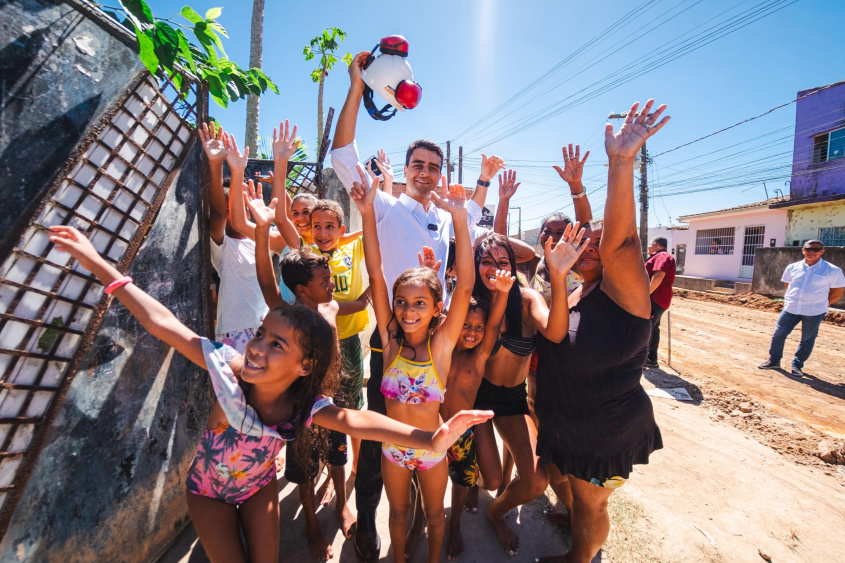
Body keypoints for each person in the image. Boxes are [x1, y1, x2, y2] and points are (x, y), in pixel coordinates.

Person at [46, 224, 494, 563]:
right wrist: (99, 264)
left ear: (305, 367)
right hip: (206, 492)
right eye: (261, 334)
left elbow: (356, 420)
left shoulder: (304, 406)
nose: (256, 347)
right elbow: (163, 324)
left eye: (274, 344)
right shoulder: (231, 369)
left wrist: (430, 440)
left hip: (259, 487)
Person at [330, 49, 501, 560]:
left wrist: (486, 181)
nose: (426, 173)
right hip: (390, 339)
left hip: (436, 344)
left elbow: (471, 225)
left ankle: (434, 526)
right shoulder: (382, 204)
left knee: (434, 437)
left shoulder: (448, 217)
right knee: (379, 437)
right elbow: (342, 154)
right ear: (403, 171)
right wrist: (358, 85)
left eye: (434, 166)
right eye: (418, 166)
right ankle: (368, 525)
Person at [534, 99, 670, 563]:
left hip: (605, 432)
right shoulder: (575, 294)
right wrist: (577, 192)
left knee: (593, 503)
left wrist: (621, 163)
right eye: (579, 242)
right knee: (575, 493)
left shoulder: (624, 294)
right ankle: (573, 523)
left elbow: (620, 240)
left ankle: (581, 558)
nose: (586, 247)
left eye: (594, 244)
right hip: (572, 425)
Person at [350, 168, 476, 563]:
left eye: (420, 303)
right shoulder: (389, 343)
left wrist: (459, 218)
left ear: (437, 309)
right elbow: (375, 269)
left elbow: (467, 286)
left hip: (433, 450)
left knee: (435, 516)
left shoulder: (442, 346)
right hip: (394, 451)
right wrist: (367, 212)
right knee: (400, 514)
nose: (406, 311)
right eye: (401, 301)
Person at [246, 184, 369, 560]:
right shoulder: (290, 315)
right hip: (300, 402)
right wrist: (262, 229)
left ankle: (342, 503)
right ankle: (312, 526)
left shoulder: (330, 308)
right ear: (302, 289)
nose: (331, 284)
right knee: (302, 464)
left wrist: (370, 292)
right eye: (325, 281)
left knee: (337, 452)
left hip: (330, 399)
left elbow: (355, 302)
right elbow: (267, 283)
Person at [199, 122, 285, 352]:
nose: (237, 211)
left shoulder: (261, 239)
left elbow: (285, 222)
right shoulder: (222, 246)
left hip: (267, 327)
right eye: (232, 206)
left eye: (241, 205)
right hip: (234, 331)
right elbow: (217, 212)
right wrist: (216, 163)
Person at [758, 240, 844, 376]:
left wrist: (823, 303)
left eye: (816, 249)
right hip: (791, 308)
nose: (811, 252)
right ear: (803, 250)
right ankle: (774, 361)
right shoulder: (792, 267)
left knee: (807, 339)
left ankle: (797, 365)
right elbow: (788, 285)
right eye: (808, 249)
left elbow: (837, 292)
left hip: (814, 311)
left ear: (822, 251)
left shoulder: (832, 270)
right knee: (779, 334)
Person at [644, 236, 676, 369]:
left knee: (646, 328)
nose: (648, 248)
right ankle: (651, 359)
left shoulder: (662, 256)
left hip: (655, 298)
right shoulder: (659, 256)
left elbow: (658, 275)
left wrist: (646, 294)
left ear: (656, 244)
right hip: (659, 298)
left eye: (650, 245)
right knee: (653, 328)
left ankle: (644, 358)